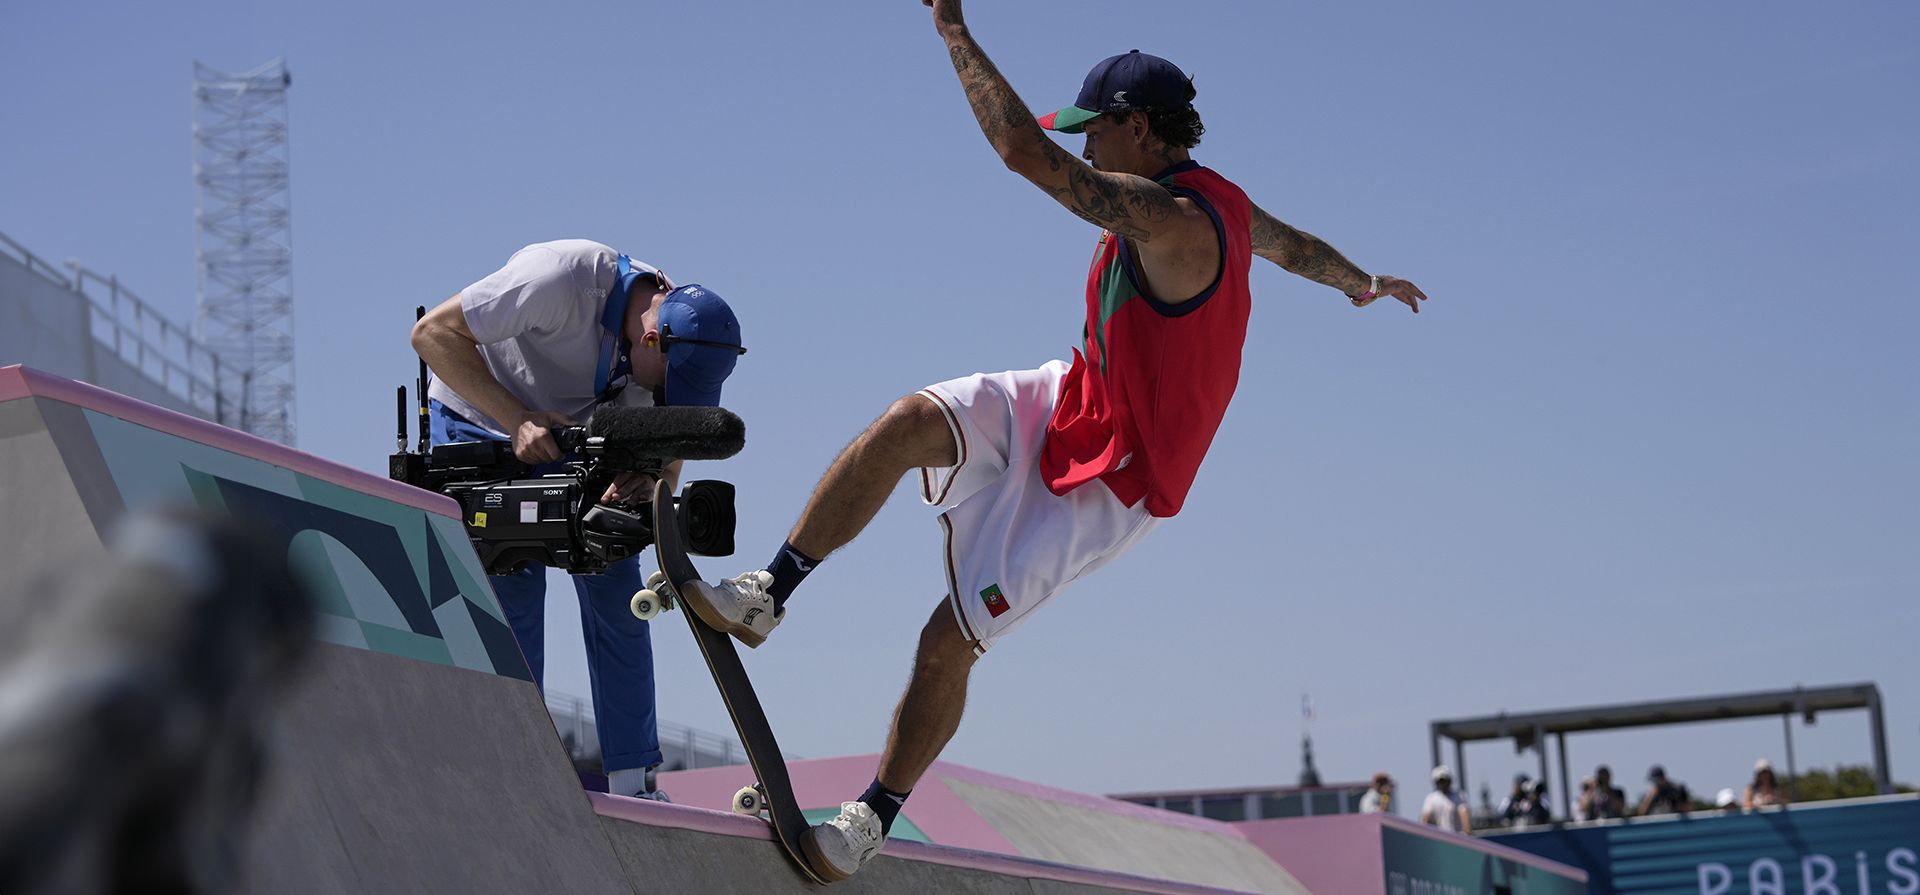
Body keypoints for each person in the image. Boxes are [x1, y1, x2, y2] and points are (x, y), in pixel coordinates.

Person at [672, 0, 1429, 881]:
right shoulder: (1226, 205)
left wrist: (953, 30)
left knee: (948, 638)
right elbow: (1290, 245)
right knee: (909, 420)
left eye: (1095, 132)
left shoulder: (1173, 217)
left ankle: (872, 817)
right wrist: (1362, 283)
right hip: (1072, 398)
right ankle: (770, 591)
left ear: (1138, 128)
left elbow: (1023, 153)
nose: (1088, 149)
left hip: (1119, 482)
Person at [410, 239, 745, 800]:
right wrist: (516, 419)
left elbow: (669, 449)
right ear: (651, 339)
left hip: (574, 433)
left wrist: (648, 484)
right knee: (512, 585)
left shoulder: (673, 340)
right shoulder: (559, 278)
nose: (663, 396)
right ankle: (513, 776)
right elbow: (431, 336)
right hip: (482, 415)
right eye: (666, 383)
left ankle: (632, 785)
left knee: (616, 578)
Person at [1421, 766, 1472, 834]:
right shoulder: (1431, 799)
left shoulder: (1460, 796)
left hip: (1457, 836)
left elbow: (1464, 816)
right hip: (1440, 837)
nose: (1443, 784)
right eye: (1440, 781)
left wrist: (1467, 833)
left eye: (1445, 780)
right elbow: (1425, 820)